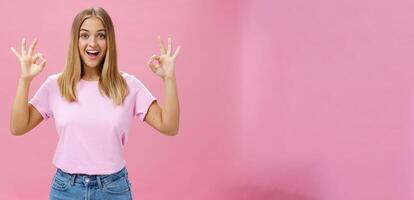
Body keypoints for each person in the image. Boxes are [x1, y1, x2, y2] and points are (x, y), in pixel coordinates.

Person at [9, 7, 181, 200]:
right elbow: (18, 127)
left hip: (114, 189)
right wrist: (24, 80)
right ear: (76, 40)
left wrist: (169, 79)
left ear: (110, 42)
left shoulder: (128, 86)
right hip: (66, 189)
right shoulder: (56, 85)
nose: (92, 43)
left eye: (101, 35)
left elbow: (170, 126)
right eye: (84, 35)